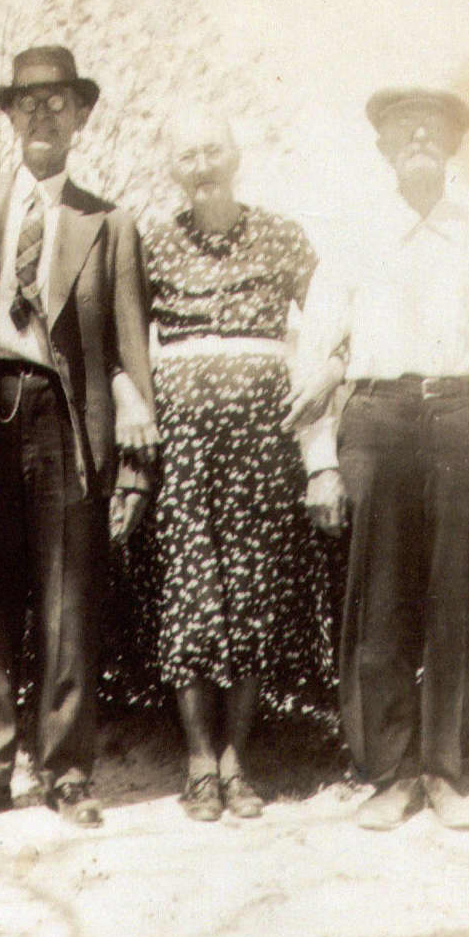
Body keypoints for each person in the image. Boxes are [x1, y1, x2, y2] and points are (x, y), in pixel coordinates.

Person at [285, 86, 469, 830]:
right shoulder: (354, 239)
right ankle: (389, 773)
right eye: (405, 128)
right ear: (384, 147)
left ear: (454, 145)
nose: (421, 137)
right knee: (380, 600)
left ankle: (444, 770)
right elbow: (314, 354)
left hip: (464, 419)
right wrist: (320, 460)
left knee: (455, 599)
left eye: (435, 128)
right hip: (379, 418)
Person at [0, 45, 159, 830]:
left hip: (67, 421)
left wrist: (135, 463)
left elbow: (129, 349)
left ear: (82, 116)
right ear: (10, 115)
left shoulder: (109, 224)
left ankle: (67, 772)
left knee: (67, 602)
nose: (43, 114)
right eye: (29, 101)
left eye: (59, 101)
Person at [141, 109, 335, 822]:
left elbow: (334, 318)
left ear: (237, 155)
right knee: (189, 590)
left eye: (213, 150)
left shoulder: (282, 235)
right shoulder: (152, 244)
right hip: (182, 442)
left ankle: (236, 760)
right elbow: (122, 340)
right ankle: (199, 761)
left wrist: (332, 368)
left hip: (263, 440)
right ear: (173, 169)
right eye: (188, 155)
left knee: (253, 589)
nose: (203, 166)